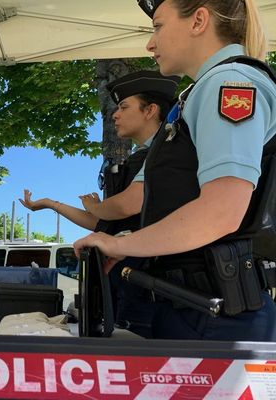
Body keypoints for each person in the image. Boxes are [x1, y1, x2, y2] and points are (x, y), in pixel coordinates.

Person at [74, 0, 276, 341]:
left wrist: (124, 244)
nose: (150, 43)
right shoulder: (209, 88)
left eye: (158, 26)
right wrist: (124, 243)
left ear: (198, 21)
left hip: (212, 315)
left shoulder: (229, 83)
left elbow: (222, 212)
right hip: (201, 307)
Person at [20, 71, 179, 336]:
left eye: (124, 107)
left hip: (151, 284)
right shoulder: (144, 157)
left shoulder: (164, 154)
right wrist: (51, 204)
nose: (115, 115)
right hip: (131, 282)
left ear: (150, 110)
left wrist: (98, 207)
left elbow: (125, 206)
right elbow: (105, 223)